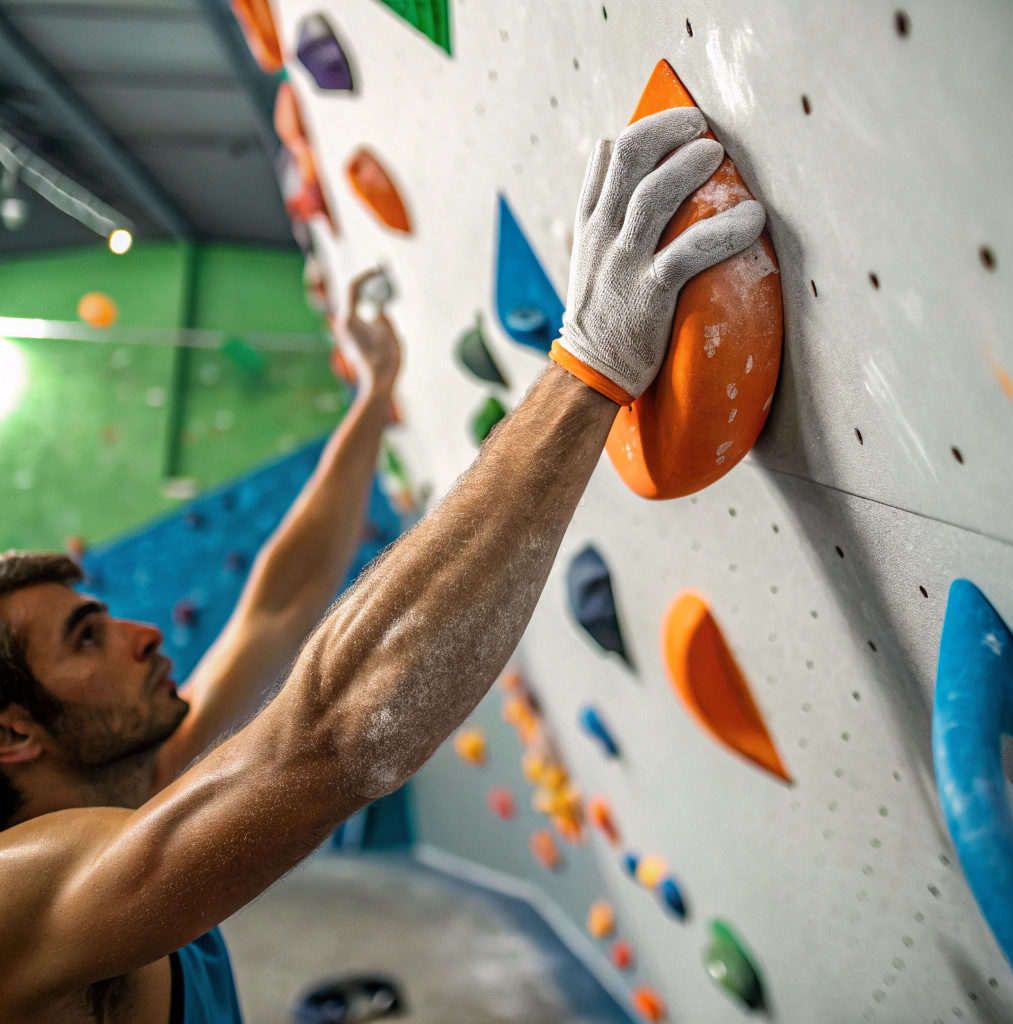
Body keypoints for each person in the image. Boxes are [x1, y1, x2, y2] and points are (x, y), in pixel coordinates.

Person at [0, 108, 764, 1024]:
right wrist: (589, 367)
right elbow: (330, 738)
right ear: (15, 733)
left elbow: (279, 603)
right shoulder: (20, 904)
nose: (144, 630)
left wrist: (375, 397)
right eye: (86, 637)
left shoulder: (129, 781)